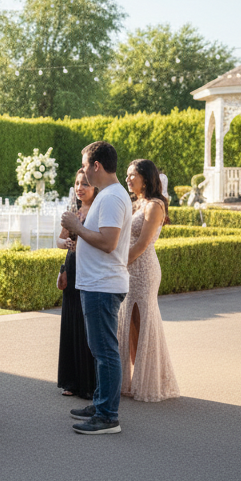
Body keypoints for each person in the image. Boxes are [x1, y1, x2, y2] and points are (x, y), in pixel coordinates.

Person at [60, 141, 132, 435]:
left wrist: (76, 228)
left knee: (104, 351)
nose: (85, 172)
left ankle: (107, 415)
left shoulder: (113, 198)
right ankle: (102, 403)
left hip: (103, 285)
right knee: (99, 349)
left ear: (96, 166)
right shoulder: (109, 195)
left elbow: (108, 242)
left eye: (86, 165)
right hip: (97, 282)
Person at [118, 159, 179, 402]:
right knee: (129, 322)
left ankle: (150, 380)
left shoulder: (155, 205)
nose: (128, 179)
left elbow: (143, 244)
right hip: (129, 267)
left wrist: (118, 265)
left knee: (143, 320)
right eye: (127, 175)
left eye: (133, 175)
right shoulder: (135, 203)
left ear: (146, 177)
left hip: (143, 268)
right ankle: (134, 379)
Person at [55, 168, 97, 399]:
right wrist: (67, 246)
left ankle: (88, 383)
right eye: (78, 183)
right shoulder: (74, 211)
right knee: (71, 323)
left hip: (90, 270)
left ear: (95, 187)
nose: (80, 187)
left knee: (86, 325)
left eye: (85, 184)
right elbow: (60, 240)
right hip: (72, 267)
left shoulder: (100, 210)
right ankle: (70, 380)